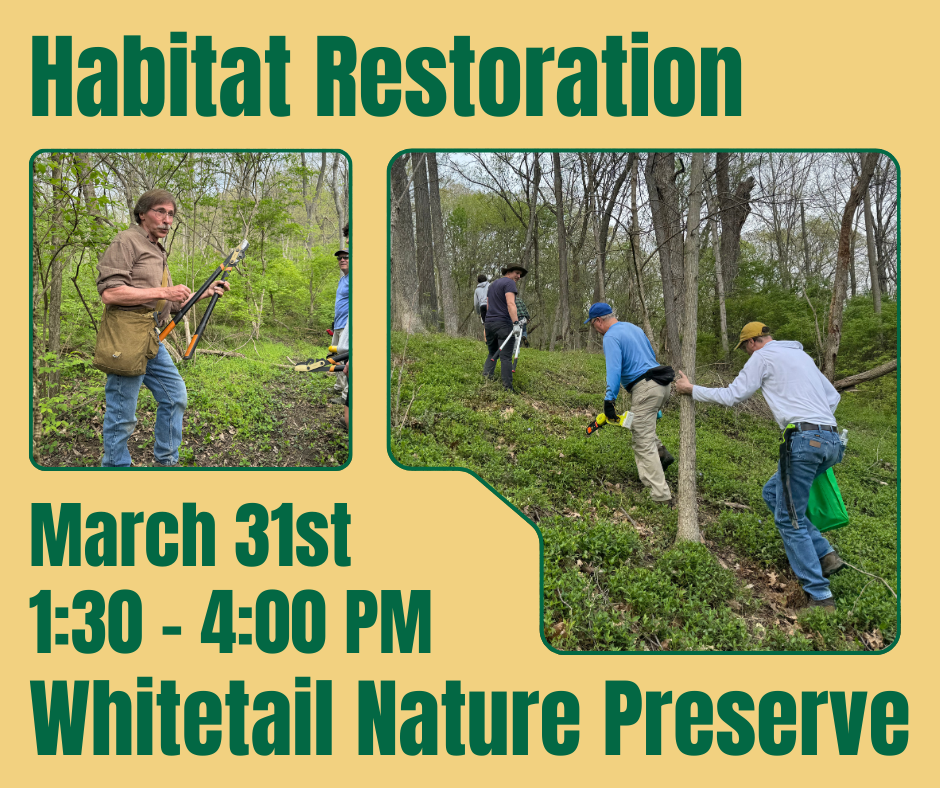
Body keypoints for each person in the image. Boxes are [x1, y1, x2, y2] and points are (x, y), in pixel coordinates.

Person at [674, 322, 845, 611]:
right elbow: (833, 397)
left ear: (754, 341)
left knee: (789, 519)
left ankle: (820, 596)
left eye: (746, 347)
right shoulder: (801, 356)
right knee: (772, 493)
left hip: (804, 442)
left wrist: (692, 389)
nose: (747, 353)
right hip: (833, 442)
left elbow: (733, 395)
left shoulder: (763, 357)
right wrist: (817, 424)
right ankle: (824, 554)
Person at [96, 189, 230, 467]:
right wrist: (164, 291)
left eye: (171, 214)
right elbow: (110, 293)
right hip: (126, 336)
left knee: (175, 396)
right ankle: (115, 468)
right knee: (122, 414)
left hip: (150, 336)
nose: (167, 220)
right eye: (160, 212)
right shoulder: (126, 241)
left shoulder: (156, 249)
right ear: (142, 213)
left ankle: (166, 462)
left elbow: (166, 302)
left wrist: (204, 293)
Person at [585, 302, 676, 504]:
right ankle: (661, 454)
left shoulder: (610, 336)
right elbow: (650, 358)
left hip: (645, 387)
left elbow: (614, 369)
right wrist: (655, 406)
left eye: (593, 324)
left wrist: (609, 399)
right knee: (642, 427)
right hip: (661, 384)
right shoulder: (634, 328)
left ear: (598, 320)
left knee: (642, 442)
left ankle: (660, 497)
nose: (595, 329)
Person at [482, 265, 526, 391]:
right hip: (503, 324)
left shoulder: (492, 285)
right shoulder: (509, 283)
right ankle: (508, 388)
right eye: (517, 273)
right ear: (509, 272)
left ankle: (485, 380)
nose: (519, 276)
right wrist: (516, 323)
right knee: (505, 357)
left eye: (520, 275)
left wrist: (486, 325)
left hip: (489, 323)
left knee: (492, 352)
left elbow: (488, 306)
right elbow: (511, 304)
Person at [332, 246, 350, 404]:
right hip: (338, 324)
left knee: (346, 360)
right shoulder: (343, 279)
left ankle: (346, 394)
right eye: (340, 258)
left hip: (347, 325)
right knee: (335, 357)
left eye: (346, 257)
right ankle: (339, 385)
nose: (342, 260)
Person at [473, 274, 490, 339]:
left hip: (482, 306)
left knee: (485, 325)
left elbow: (476, 303)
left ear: (478, 281)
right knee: (493, 322)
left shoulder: (477, 290)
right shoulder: (490, 286)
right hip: (490, 305)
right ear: (486, 279)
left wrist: (478, 312)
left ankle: (486, 340)